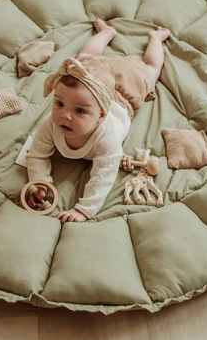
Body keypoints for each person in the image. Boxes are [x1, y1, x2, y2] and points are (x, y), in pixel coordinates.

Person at [26, 19, 170, 223]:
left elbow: (103, 176)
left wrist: (84, 210)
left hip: (124, 92)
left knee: (150, 70)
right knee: (85, 58)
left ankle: (156, 38)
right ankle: (106, 32)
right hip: (93, 76)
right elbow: (36, 154)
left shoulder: (107, 138)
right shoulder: (51, 123)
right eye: (59, 103)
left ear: (101, 117)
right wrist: (40, 183)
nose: (65, 115)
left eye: (79, 110)